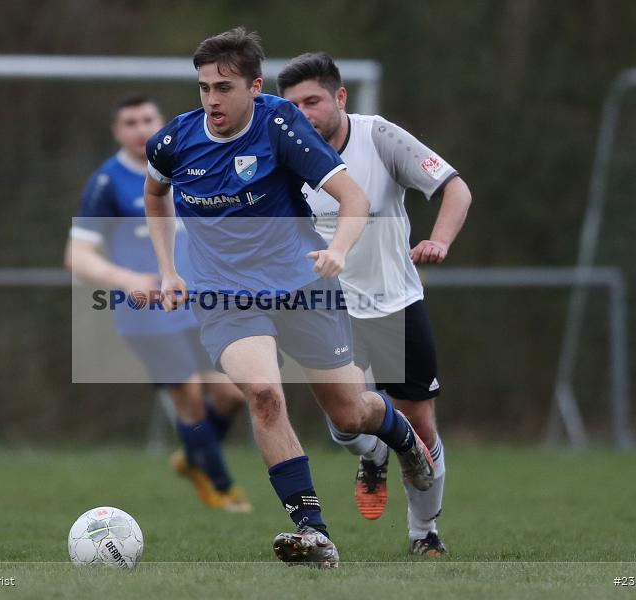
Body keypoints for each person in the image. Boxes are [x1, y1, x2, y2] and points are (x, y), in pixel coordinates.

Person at [143, 28, 435, 568]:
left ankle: (404, 439)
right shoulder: (174, 140)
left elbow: (353, 197)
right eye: (203, 87)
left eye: (223, 87)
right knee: (263, 393)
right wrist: (167, 270)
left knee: (352, 413)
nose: (211, 100)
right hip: (225, 296)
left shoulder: (280, 124)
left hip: (301, 287)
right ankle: (313, 531)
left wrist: (339, 251)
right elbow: (154, 192)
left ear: (255, 87)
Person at [278, 52, 472, 556]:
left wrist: (440, 241)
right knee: (345, 420)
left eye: (313, 101)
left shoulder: (378, 136)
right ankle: (373, 453)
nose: (304, 114)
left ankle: (423, 533)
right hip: (326, 310)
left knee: (422, 428)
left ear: (340, 97)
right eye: (293, 106)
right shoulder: (280, 150)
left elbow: (456, 189)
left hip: (393, 305)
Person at [65, 94, 250, 513]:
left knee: (232, 394)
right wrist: (129, 280)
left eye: (147, 119)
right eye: (129, 122)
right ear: (117, 132)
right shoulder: (107, 182)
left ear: (161, 122)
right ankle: (222, 489)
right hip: (145, 312)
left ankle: (193, 457)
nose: (140, 129)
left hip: (198, 303)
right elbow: (76, 255)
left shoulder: (188, 164)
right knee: (189, 394)